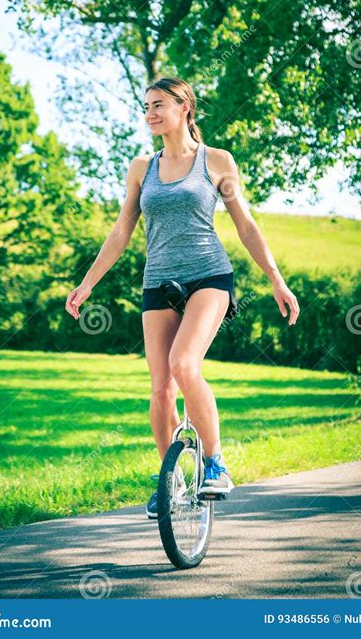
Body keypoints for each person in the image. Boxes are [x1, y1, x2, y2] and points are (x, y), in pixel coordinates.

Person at [65, 76, 300, 520]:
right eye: (146, 106)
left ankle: (215, 462)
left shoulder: (216, 161)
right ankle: (169, 480)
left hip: (209, 276)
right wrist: (88, 282)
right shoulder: (141, 168)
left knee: (184, 364)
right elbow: (121, 231)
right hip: (158, 280)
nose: (150, 113)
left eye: (158, 105)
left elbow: (245, 226)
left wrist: (276, 279)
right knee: (160, 387)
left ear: (184, 107)